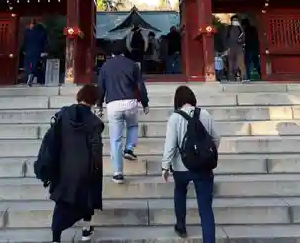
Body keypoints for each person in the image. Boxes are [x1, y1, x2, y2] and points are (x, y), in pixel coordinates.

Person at [34, 84, 104, 243]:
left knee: (62, 202)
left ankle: (56, 238)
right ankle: (86, 231)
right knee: (88, 197)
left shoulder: (63, 114)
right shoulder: (95, 122)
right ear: (94, 100)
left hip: (63, 166)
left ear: (80, 96)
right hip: (85, 167)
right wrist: (97, 167)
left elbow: (53, 139)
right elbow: (96, 148)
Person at [161, 85, 220, 243]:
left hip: (181, 167)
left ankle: (181, 226)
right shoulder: (205, 114)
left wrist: (165, 166)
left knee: (180, 191)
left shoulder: (174, 118)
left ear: (177, 101)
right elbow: (216, 138)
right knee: (206, 208)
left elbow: (170, 145)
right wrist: (207, 155)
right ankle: (209, 240)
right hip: (203, 166)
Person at [97, 51, 149, 184]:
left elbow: (101, 87)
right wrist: (145, 103)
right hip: (130, 101)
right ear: (124, 52)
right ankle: (130, 148)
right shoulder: (132, 65)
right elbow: (140, 86)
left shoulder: (106, 66)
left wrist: (99, 105)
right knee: (132, 125)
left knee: (115, 139)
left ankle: (118, 173)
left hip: (113, 103)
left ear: (112, 53)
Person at [22, 19, 48, 86]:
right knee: (36, 65)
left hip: (29, 51)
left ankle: (30, 74)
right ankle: (37, 77)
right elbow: (45, 43)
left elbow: (24, 42)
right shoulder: (42, 33)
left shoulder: (27, 32)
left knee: (29, 64)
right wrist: (44, 51)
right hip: (38, 51)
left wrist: (24, 50)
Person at [241, 18, 261, 82]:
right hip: (255, 48)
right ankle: (261, 74)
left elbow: (244, 39)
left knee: (247, 64)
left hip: (249, 48)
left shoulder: (245, 30)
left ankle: (248, 77)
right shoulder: (254, 29)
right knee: (256, 63)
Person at [226, 15, 245, 80]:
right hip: (231, 48)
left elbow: (243, 38)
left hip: (239, 48)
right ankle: (231, 77)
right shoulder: (229, 28)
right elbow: (226, 38)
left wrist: (241, 40)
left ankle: (243, 77)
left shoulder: (240, 28)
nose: (235, 22)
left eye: (236, 20)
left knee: (240, 63)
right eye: (233, 20)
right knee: (231, 64)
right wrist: (227, 47)